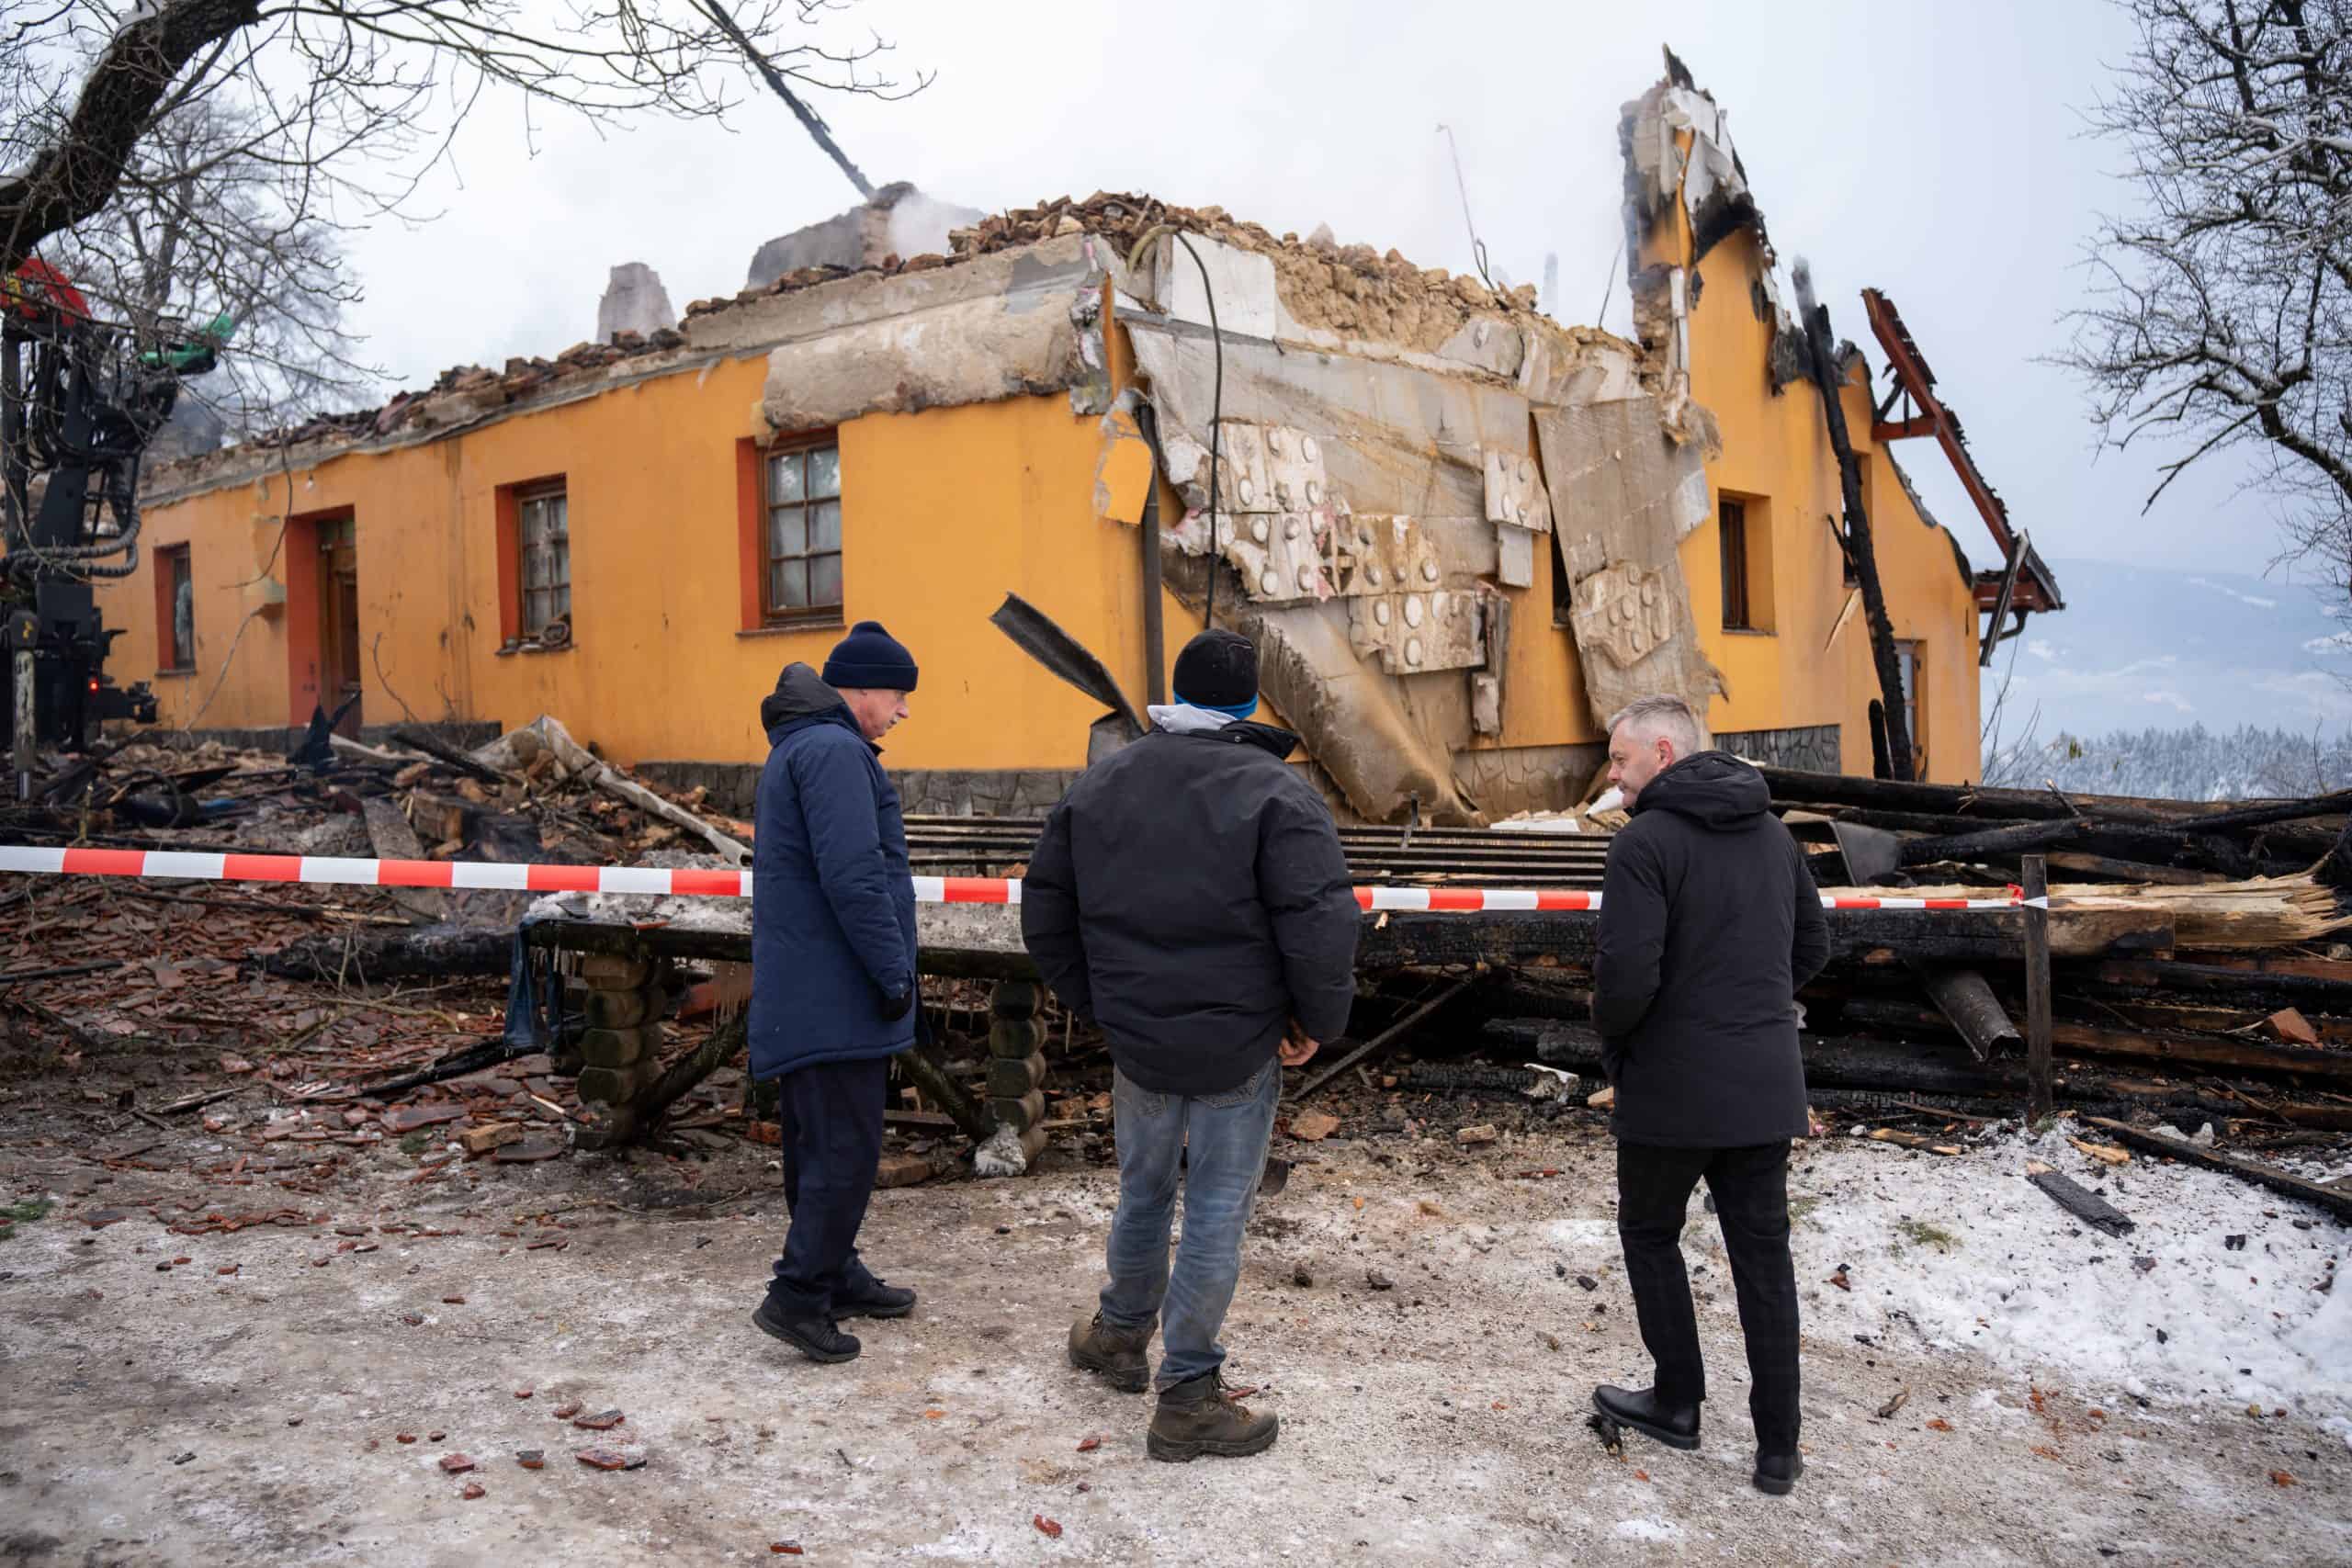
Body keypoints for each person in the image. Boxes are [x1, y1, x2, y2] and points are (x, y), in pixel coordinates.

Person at [1022, 627, 1359, 1462]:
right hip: (1236, 1046)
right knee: (1214, 1210)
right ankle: (1188, 1394)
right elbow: (1319, 924)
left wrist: (1101, 1004)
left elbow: (1046, 910)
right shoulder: (1278, 795)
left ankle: (1118, 1332)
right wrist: (1315, 1020)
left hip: (1139, 1041)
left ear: (1176, 693)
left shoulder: (1104, 781)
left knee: (1142, 1191)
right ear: (1250, 702)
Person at [1589, 694, 1830, 1496]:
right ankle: (1778, 1448)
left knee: (1649, 1231)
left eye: (1620, 758)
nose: (1612, 775)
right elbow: (1814, 943)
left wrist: (1619, 1047)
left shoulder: (1643, 844)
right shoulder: (1773, 835)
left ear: (1663, 752)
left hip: (1670, 1087)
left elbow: (1626, 979)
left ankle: (1677, 1401)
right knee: (1764, 1258)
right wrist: (1754, 1009)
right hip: (1764, 1085)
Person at [747, 621, 924, 1364]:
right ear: (860, 689)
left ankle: (833, 1270)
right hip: (838, 991)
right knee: (843, 1150)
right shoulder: (834, 751)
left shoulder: (810, 746)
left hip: (814, 989)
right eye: (898, 694)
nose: (904, 710)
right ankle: (798, 1295)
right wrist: (892, 972)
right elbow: (854, 877)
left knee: (818, 1144)